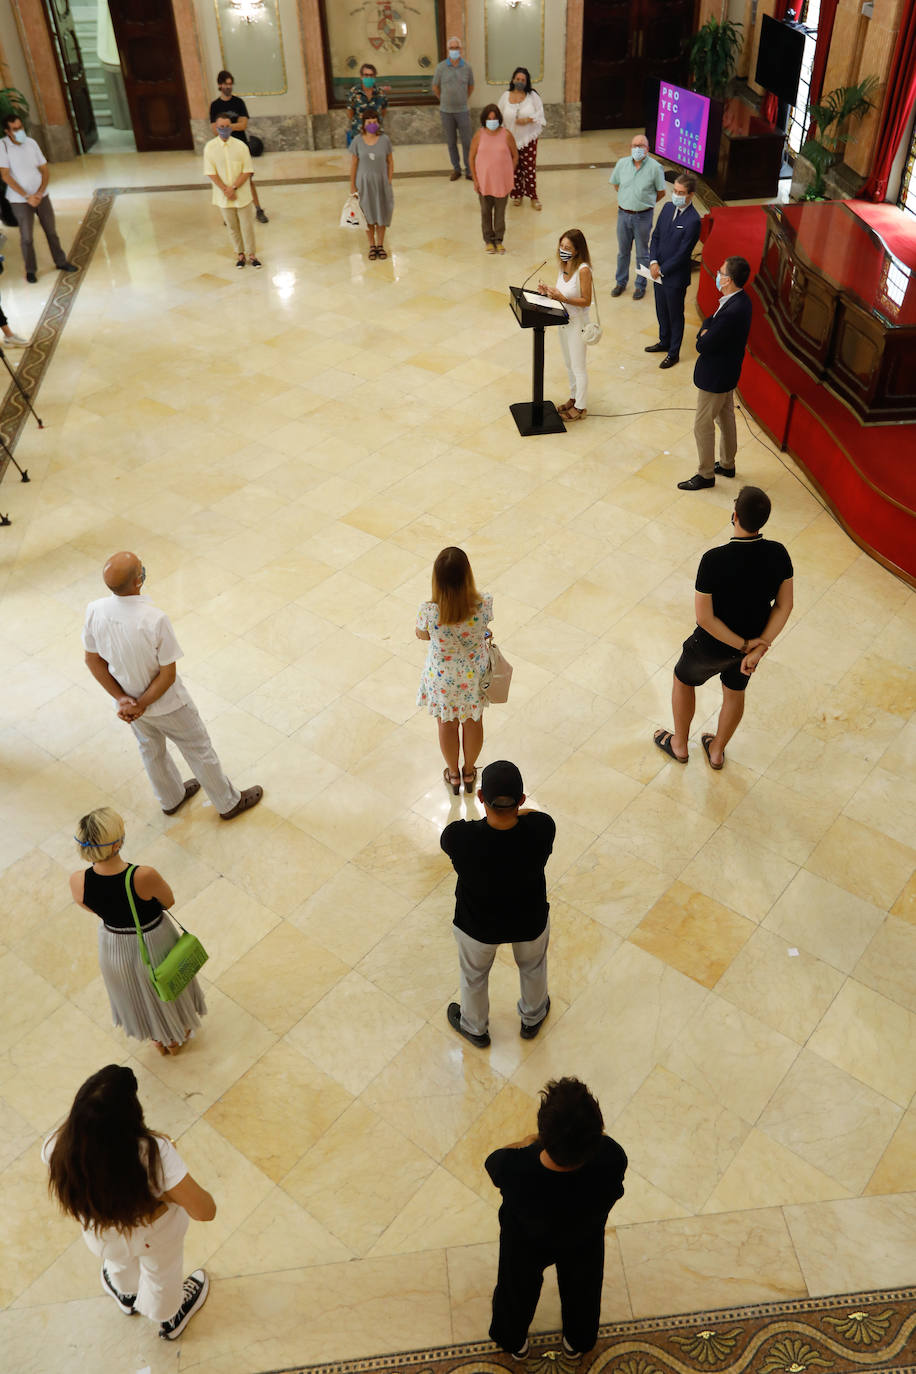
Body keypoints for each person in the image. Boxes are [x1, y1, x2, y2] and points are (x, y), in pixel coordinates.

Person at [82, 551, 263, 820]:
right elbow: (167, 675)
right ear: (138, 581)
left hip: (129, 707)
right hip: (168, 705)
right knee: (198, 748)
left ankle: (171, 798)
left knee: (151, 750)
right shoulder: (154, 619)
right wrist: (142, 704)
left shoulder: (94, 609)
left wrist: (124, 700)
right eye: (141, 569)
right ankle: (228, 803)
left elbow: (92, 660)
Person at [44, 1065, 214, 1340]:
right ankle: (170, 1317)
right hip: (154, 1237)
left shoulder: (56, 1145)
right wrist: (165, 1192)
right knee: (162, 1276)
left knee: (118, 1262)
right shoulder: (154, 1154)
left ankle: (125, 1293)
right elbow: (205, 1210)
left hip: (100, 1235)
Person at [654, 484, 794, 769]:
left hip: (713, 644)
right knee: (735, 692)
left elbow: (705, 618)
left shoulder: (714, 560)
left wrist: (743, 646)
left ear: (734, 516)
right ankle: (717, 751)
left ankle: (679, 744)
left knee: (683, 680)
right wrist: (757, 647)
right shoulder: (779, 553)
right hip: (752, 642)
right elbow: (784, 606)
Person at [486, 1078, 627, 1359]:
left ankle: (514, 1341)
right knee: (583, 1288)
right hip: (583, 1237)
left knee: (515, 1289)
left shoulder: (515, 1167)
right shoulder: (611, 1158)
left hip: (524, 1241)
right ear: (597, 1133)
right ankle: (577, 1341)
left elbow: (494, 1162)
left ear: (543, 1134)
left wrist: (528, 1144)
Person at [69, 807, 207, 1056]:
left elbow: (86, 906)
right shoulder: (142, 875)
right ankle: (176, 1035)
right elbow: (168, 902)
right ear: (117, 844)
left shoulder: (78, 879)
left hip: (112, 943)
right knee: (163, 984)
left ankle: (158, 1037)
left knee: (137, 993)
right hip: (152, 938)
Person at [442, 760, 555, 1048]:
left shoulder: (459, 838)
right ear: (521, 800)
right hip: (528, 920)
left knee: (474, 976)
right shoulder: (542, 829)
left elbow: (456, 834)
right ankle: (533, 1017)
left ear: (480, 798)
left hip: (477, 926)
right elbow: (533, 816)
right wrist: (519, 813)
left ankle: (475, 1027)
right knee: (533, 966)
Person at [416, 547, 492, 793]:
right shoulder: (483, 604)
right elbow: (483, 630)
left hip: (443, 677)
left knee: (446, 725)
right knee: (473, 722)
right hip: (474, 675)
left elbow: (421, 634)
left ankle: (453, 774)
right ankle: (470, 773)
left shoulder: (429, 610)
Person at [678, 255, 753, 490]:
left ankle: (706, 474)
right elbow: (710, 320)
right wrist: (707, 329)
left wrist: (705, 333)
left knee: (703, 424)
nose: (717, 275)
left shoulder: (732, 311)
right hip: (728, 372)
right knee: (726, 416)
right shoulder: (741, 300)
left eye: (721, 272)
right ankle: (728, 463)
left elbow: (702, 345)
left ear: (729, 279)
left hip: (716, 376)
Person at [0, 114, 78, 283]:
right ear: (7, 131)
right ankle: (30, 270)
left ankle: (61, 262)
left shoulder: (31, 143)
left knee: (51, 231)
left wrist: (40, 192)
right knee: (27, 237)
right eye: (15, 129)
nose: (19, 131)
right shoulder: (3, 147)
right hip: (19, 200)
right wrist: (27, 196)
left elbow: (44, 169)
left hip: (41, 196)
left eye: (20, 127)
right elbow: (5, 176)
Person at [645, 173, 702, 369]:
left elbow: (683, 253)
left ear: (690, 195)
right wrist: (653, 262)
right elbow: (657, 236)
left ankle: (673, 353)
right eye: (675, 191)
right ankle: (664, 341)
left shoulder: (693, 220)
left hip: (674, 278)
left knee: (675, 314)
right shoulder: (668, 208)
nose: (676, 195)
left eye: (681, 192)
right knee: (661, 310)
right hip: (657, 272)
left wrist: (661, 269)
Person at [538, 228, 593, 422]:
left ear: (577, 250)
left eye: (567, 247)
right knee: (569, 364)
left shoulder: (583, 270)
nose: (563, 250)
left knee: (578, 366)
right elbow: (561, 293)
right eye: (561, 246)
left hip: (577, 322)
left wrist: (563, 298)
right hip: (563, 321)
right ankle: (573, 397)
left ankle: (580, 407)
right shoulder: (564, 266)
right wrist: (549, 292)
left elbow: (586, 300)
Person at [608, 133, 665, 300]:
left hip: (643, 217)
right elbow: (617, 185)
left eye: (641, 146)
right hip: (623, 214)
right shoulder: (622, 164)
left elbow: (661, 192)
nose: (638, 148)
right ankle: (620, 282)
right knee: (623, 252)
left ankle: (640, 285)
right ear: (630, 148)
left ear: (647, 149)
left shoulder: (655, 167)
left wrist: (644, 203)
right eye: (635, 145)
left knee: (642, 253)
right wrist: (629, 200)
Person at [208, 71, 269, 223]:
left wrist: (226, 127)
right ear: (220, 85)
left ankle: (258, 209)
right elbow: (214, 129)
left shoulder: (239, 103)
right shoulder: (215, 106)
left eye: (230, 84)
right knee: (226, 180)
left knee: (247, 179)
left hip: (240, 146)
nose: (228, 87)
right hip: (223, 148)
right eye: (226, 84)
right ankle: (229, 212)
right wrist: (229, 127)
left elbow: (243, 125)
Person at [203, 114, 261, 269]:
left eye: (227, 126)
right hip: (223, 196)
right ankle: (239, 254)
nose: (224, 130)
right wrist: (225, 190)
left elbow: (247, 170)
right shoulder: (210, 147)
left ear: (231, 127)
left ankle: (252, 255)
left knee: (247, 225)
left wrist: (233, 187)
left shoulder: (241, 146)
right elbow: (210, 172)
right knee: (232, 226)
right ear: (216, 127)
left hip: (242, 193)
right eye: (221, 127)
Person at [469, 105, 518, 255]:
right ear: (484, 120)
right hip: (484, 182)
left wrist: (509, 172)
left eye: (494, 118)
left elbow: (515, 155)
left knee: (500, 213)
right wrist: (476, 179)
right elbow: (471, 158)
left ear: (499, 119)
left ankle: (498, 240)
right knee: (485, 212)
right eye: (489, 119)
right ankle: (488, 241)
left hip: (502, 182)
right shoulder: (479, 135)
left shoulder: (506, 135)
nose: (492, 121)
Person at [498, 68, 545, 211]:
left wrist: (528, 120)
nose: (519, 82)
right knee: (514, 168)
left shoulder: (532, 96)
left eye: (523, 80)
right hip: (510, 140)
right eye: (517, 79)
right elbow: (498, 115)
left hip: (528, 139)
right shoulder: (505, 96)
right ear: (513, 80)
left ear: (527, 82)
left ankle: (533, 196)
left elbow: (540, 114)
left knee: (529, 169)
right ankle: (517, 194)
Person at [350, 109, 394, 260]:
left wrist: (388, 180)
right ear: (363, 124)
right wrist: (352, 185)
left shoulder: (385, 140)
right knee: (367, 215)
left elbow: (390, 161)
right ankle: (371, 245)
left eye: (375, 122)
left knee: (381, 214)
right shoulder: (357, 141)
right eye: (369, 122)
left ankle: (380, 245)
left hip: (381, 182)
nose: (372, 125)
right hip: (364, 184)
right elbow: (354, 163)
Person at [431, 36, 474, 181]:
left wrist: (463, 98)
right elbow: (435, 86)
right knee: (451, 142)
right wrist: (443, 99)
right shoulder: (441, 67)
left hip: (463, 110)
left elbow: (471, 86)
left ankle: (469, 170)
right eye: (452, 48)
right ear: (448, 49)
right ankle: (456, 169)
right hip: (446, 112)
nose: (454, 50)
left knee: (467, 142)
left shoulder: (467, 67)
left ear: (460, 49)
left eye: (457, 48)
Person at [346, 62, 388, 147]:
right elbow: (350, 112)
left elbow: (383, 111)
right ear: (361, 77)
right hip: (359, 133)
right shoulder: (354, 92)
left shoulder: (380, 93)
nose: (369, 77)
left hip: (377, 134)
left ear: (375, 77)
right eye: (366, 75)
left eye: (371, 75)